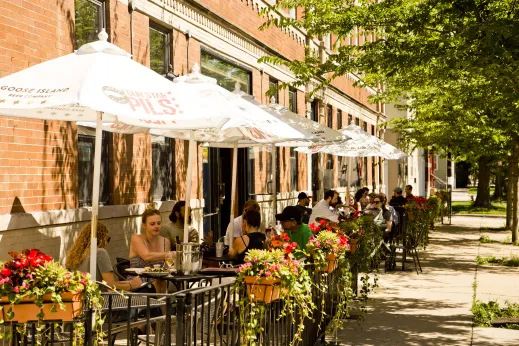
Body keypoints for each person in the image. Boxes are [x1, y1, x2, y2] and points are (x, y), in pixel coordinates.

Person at [66, 222, 142, 292]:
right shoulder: (100, 253)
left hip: (80, 300)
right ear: (102, 239)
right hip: (101, 301)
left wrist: (128, 282)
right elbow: (110, 285)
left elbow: (104, 282)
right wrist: (132, 285)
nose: (107, 243)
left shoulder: (74, 256)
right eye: (107, 239)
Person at [129, 204, 171, 292]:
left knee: (160, 282)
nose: (156, 226)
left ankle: (163, 304)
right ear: (144, 225)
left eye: (159, 223)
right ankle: (163, 304)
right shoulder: (136, 239)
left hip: (159, 281)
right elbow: (146, 256)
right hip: (138, 282)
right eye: (152, 224)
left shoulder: (165, 241)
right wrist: (168, 254)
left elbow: (168, 266)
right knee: (158, 283)